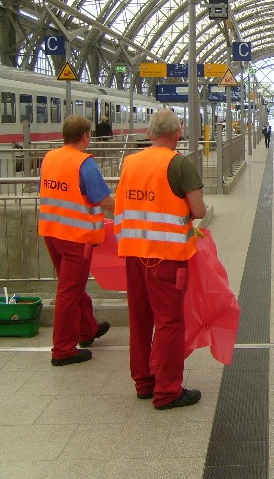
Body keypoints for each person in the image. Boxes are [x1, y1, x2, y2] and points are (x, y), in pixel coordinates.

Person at [115, 109, 207, 410]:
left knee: (140, 319)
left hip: (133, 252)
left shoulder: (129, 162)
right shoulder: (180, 164)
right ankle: (167, 390)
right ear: (177, 133)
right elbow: (199, 210)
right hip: (165, 257)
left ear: (150, 133)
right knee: (168, 322)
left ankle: (144, 382)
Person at [38, 115, 114, 366]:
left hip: (52, 231)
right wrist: (130, 210)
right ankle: (63, 349)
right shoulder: (86, 164)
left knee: (72, 286)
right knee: (69, 292)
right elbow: (103, 199)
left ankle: (87, 329)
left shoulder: (50, 157)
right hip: (76, 237)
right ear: (85, 136)